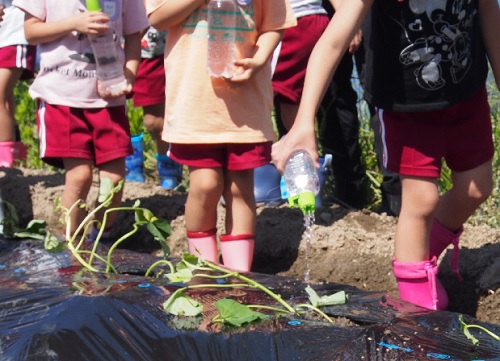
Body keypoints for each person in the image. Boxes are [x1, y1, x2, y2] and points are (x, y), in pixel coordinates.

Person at [272, 0, 499, 311]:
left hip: (467, 95)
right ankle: (416, 309)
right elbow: (335, 38)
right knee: (422, 201)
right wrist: (303, 121)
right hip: (405, 107)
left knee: (476, 187)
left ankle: (419, 252)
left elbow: (488, 10)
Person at [146, 0, 296, 272]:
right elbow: (158, 17)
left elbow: (275, 24)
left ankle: (240, 276)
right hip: (196, 102)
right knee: (205, 184)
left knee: (240, 188)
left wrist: (260, 58)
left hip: (246, 103)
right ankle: (203, 271)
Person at [13, 0, 149, 239]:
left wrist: (129, 76)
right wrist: (73, 23)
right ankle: (70, 244)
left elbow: (134, 36)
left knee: (114, 180)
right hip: (62, 97)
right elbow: (31, 32)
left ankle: (100, 238)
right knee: (79, 175)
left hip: (109, 99)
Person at [128, 25, 183, 189]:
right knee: (117, 113)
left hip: (153, 50)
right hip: (113, 49)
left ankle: (168, 166)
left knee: (154, 121)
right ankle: (130, 162)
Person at [0, 1, 36, 168]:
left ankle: (5, 162)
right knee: (5, 98)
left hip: (14, 33)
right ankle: (15, 159)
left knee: (1, 96)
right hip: (6, 32)